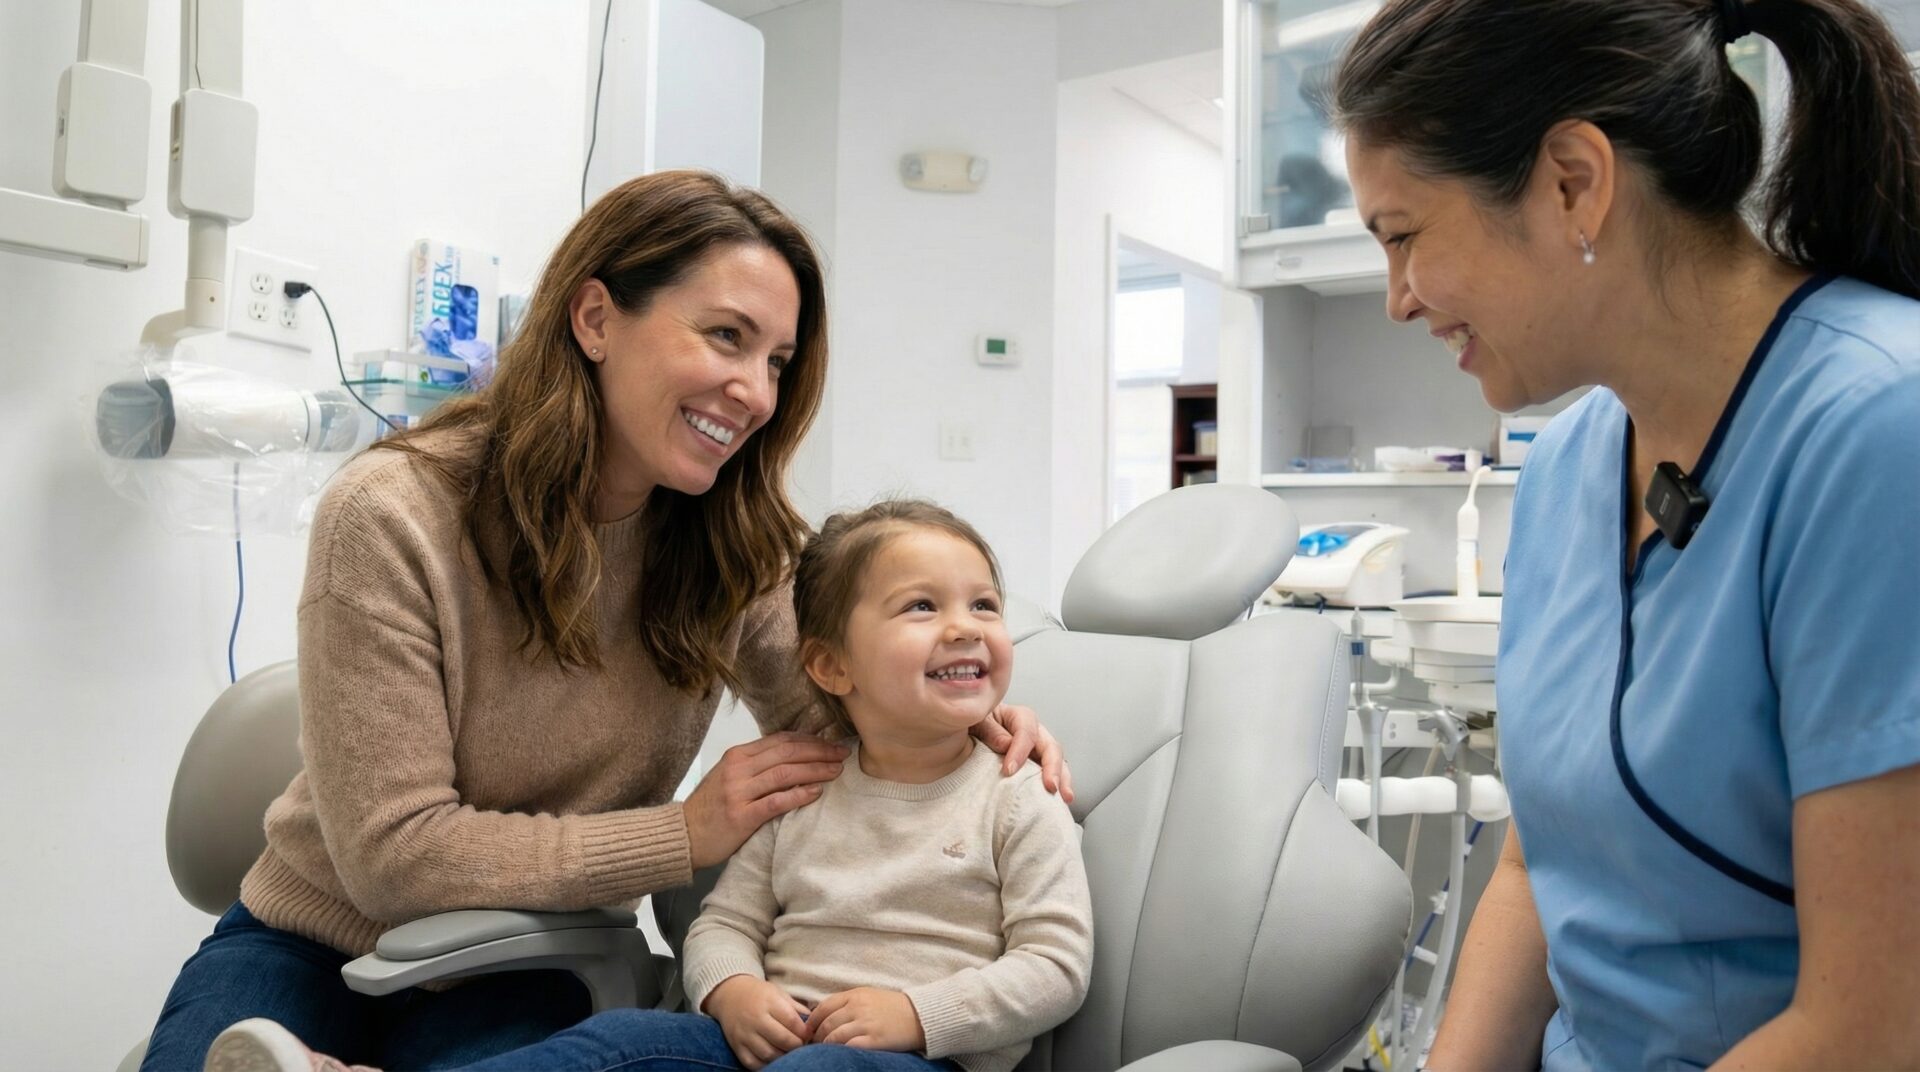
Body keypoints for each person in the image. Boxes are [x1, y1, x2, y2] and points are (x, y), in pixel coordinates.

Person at [142, 173, 1071, 1071]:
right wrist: (683, 833)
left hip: (534, 953)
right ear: (595, 320)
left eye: (776, 361)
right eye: (724, 336)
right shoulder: (393, 513)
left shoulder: (739, 549)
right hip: (311, 940)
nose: (755, 390)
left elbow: (846, 709)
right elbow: (394, 857)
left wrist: (977, 725)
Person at [1330, 1, 1920, 1067]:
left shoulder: (1883, 426)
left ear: (1573, 182)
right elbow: (1538, 872)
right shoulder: (1562, 471)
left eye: (1404, 236)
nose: (1397, 301)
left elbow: (1873, 1029)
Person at [204, 499, 1094, 1072]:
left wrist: (916, 1014)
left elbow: (1054, 966)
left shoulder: (1016, 794)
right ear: (831, 665)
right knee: (613, 1049)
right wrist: (731, 991)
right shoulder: (809, 791)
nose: (963, 629)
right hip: (746, 1040)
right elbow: (726, 925)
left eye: (984, 606)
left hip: (906, 1057)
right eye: (921, 608)